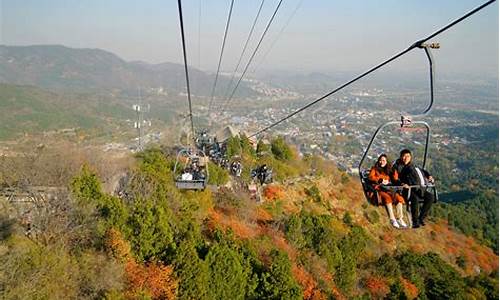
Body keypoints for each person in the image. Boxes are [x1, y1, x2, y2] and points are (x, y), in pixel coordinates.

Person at [396, 149, 435, 228]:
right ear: (401, 157)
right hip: (410, 190)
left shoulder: (414, 166)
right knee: (415, 199)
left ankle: (421, 218)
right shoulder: (399, 167)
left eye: (408, 156)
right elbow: (395, 178)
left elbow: (423, 171)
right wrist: (402, 184)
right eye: (404, 156)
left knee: (430, 197)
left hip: (420, 188)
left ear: (410, 157)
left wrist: (429, 176)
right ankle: (415, 221)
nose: (406, 158)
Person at [369, 154, 407, 228]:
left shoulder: (389, 169)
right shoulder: (375, 169)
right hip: (379, 188)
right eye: (380, 160)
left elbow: (394, 178)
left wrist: (399, 181)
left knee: (399, 198)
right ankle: (392, 219)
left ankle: (400, 218)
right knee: (387, 198)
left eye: (383, 160)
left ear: (386, 162)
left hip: (388, 188)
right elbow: (371, 177)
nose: (381, 162)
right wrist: (380, 180)